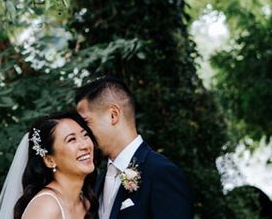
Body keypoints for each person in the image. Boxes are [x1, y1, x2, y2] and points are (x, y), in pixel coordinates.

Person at [75, 76, 193, 219]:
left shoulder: (160, 173)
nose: (84, 134)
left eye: (86, 123)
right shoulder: (98, 182)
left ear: (113, 115)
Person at [0, 110, 99, 219]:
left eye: (85, 135)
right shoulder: (46, 207)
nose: (85, 145)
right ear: (49, 160)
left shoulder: (86, 203)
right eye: (71, 139)